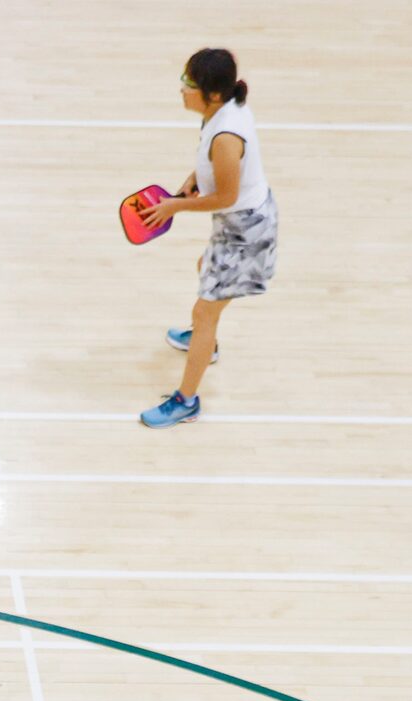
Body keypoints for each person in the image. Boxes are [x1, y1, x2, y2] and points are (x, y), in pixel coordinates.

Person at [134, 48, 275, 429]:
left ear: (213, 93)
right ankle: (204, 339)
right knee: (204, 269)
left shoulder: (227, 136)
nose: (182, 89)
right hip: (237, 221)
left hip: (245, 229)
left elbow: (227, 195)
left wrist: (173, 208)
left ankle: (186, 401)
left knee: (205, 309)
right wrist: (194, 180)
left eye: (189, 84)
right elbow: (218, 174)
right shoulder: (222, 112)